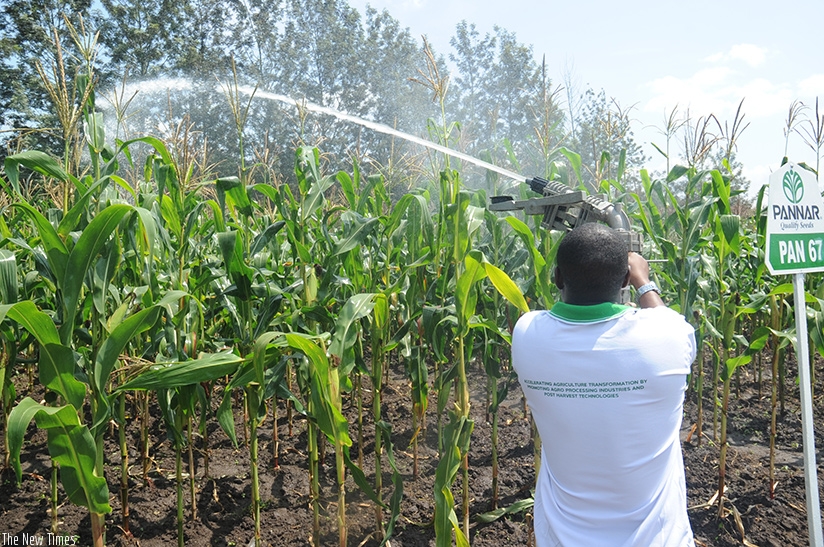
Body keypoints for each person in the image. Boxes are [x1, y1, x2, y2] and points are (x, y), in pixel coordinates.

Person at [512, 222, 696, 547]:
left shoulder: (527, 335)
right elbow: (664, 319)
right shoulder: (667, 337)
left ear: (556, 278)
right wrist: (643, 281)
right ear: (625, 279)